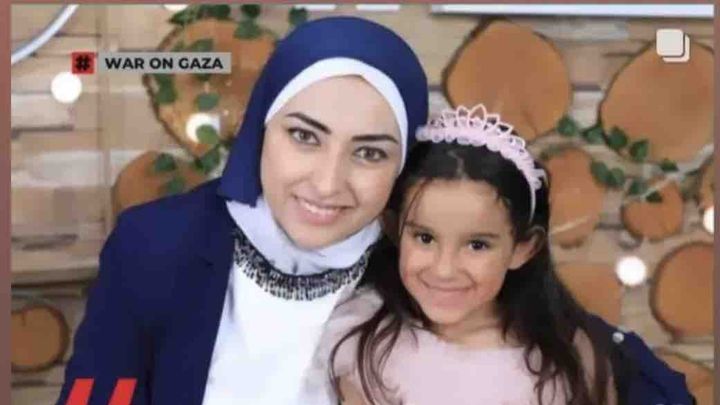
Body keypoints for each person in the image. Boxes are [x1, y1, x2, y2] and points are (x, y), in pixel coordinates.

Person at [55, 16, 428, 405]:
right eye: (304, 136)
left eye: (369, 153)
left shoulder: (427, 274)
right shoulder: (153, 245)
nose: (327, 184)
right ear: (261, 128)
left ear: (404, 166)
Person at [318, 105, 695, 405]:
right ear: (394, 229)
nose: (444, 269)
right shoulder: (366, 343)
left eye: (477, 245)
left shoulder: (568, 361)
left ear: (523, 248)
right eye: (425, 238)